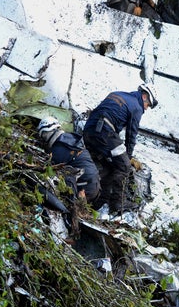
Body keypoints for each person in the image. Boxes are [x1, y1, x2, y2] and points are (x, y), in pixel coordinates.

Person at [81, 83, 158, 213]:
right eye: (148, 104)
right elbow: (131, 135)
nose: (147, 108)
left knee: (110, 167)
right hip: (104, 132)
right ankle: (118, 203)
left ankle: (97, 202)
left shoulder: (117, 94)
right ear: (144, 96)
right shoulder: (137, 107)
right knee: (124, 166)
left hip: (88, 132)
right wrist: (128, 157)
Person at [37, 117, 101, 205]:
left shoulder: (58, 149)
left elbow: (50, 171)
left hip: (83, 187)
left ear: (50, 131)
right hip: (95, 184)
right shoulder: (70, 138)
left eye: (44, 134)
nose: (43, 138)